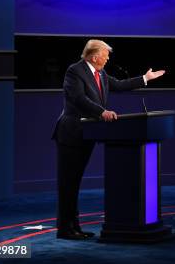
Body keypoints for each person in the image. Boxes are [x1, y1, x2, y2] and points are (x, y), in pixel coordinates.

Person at [53, 39, 165, 240]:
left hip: (87, 134)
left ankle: (74, 227)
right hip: (71, 134)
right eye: (106, 54)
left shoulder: (101, 74)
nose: (108, 58)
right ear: (95, 56)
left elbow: (120, 85)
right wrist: (102, 112)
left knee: (75, 182)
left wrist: (145, 78)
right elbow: (79, 99)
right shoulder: (75, 71)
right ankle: (65, 229)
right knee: (68, 183)